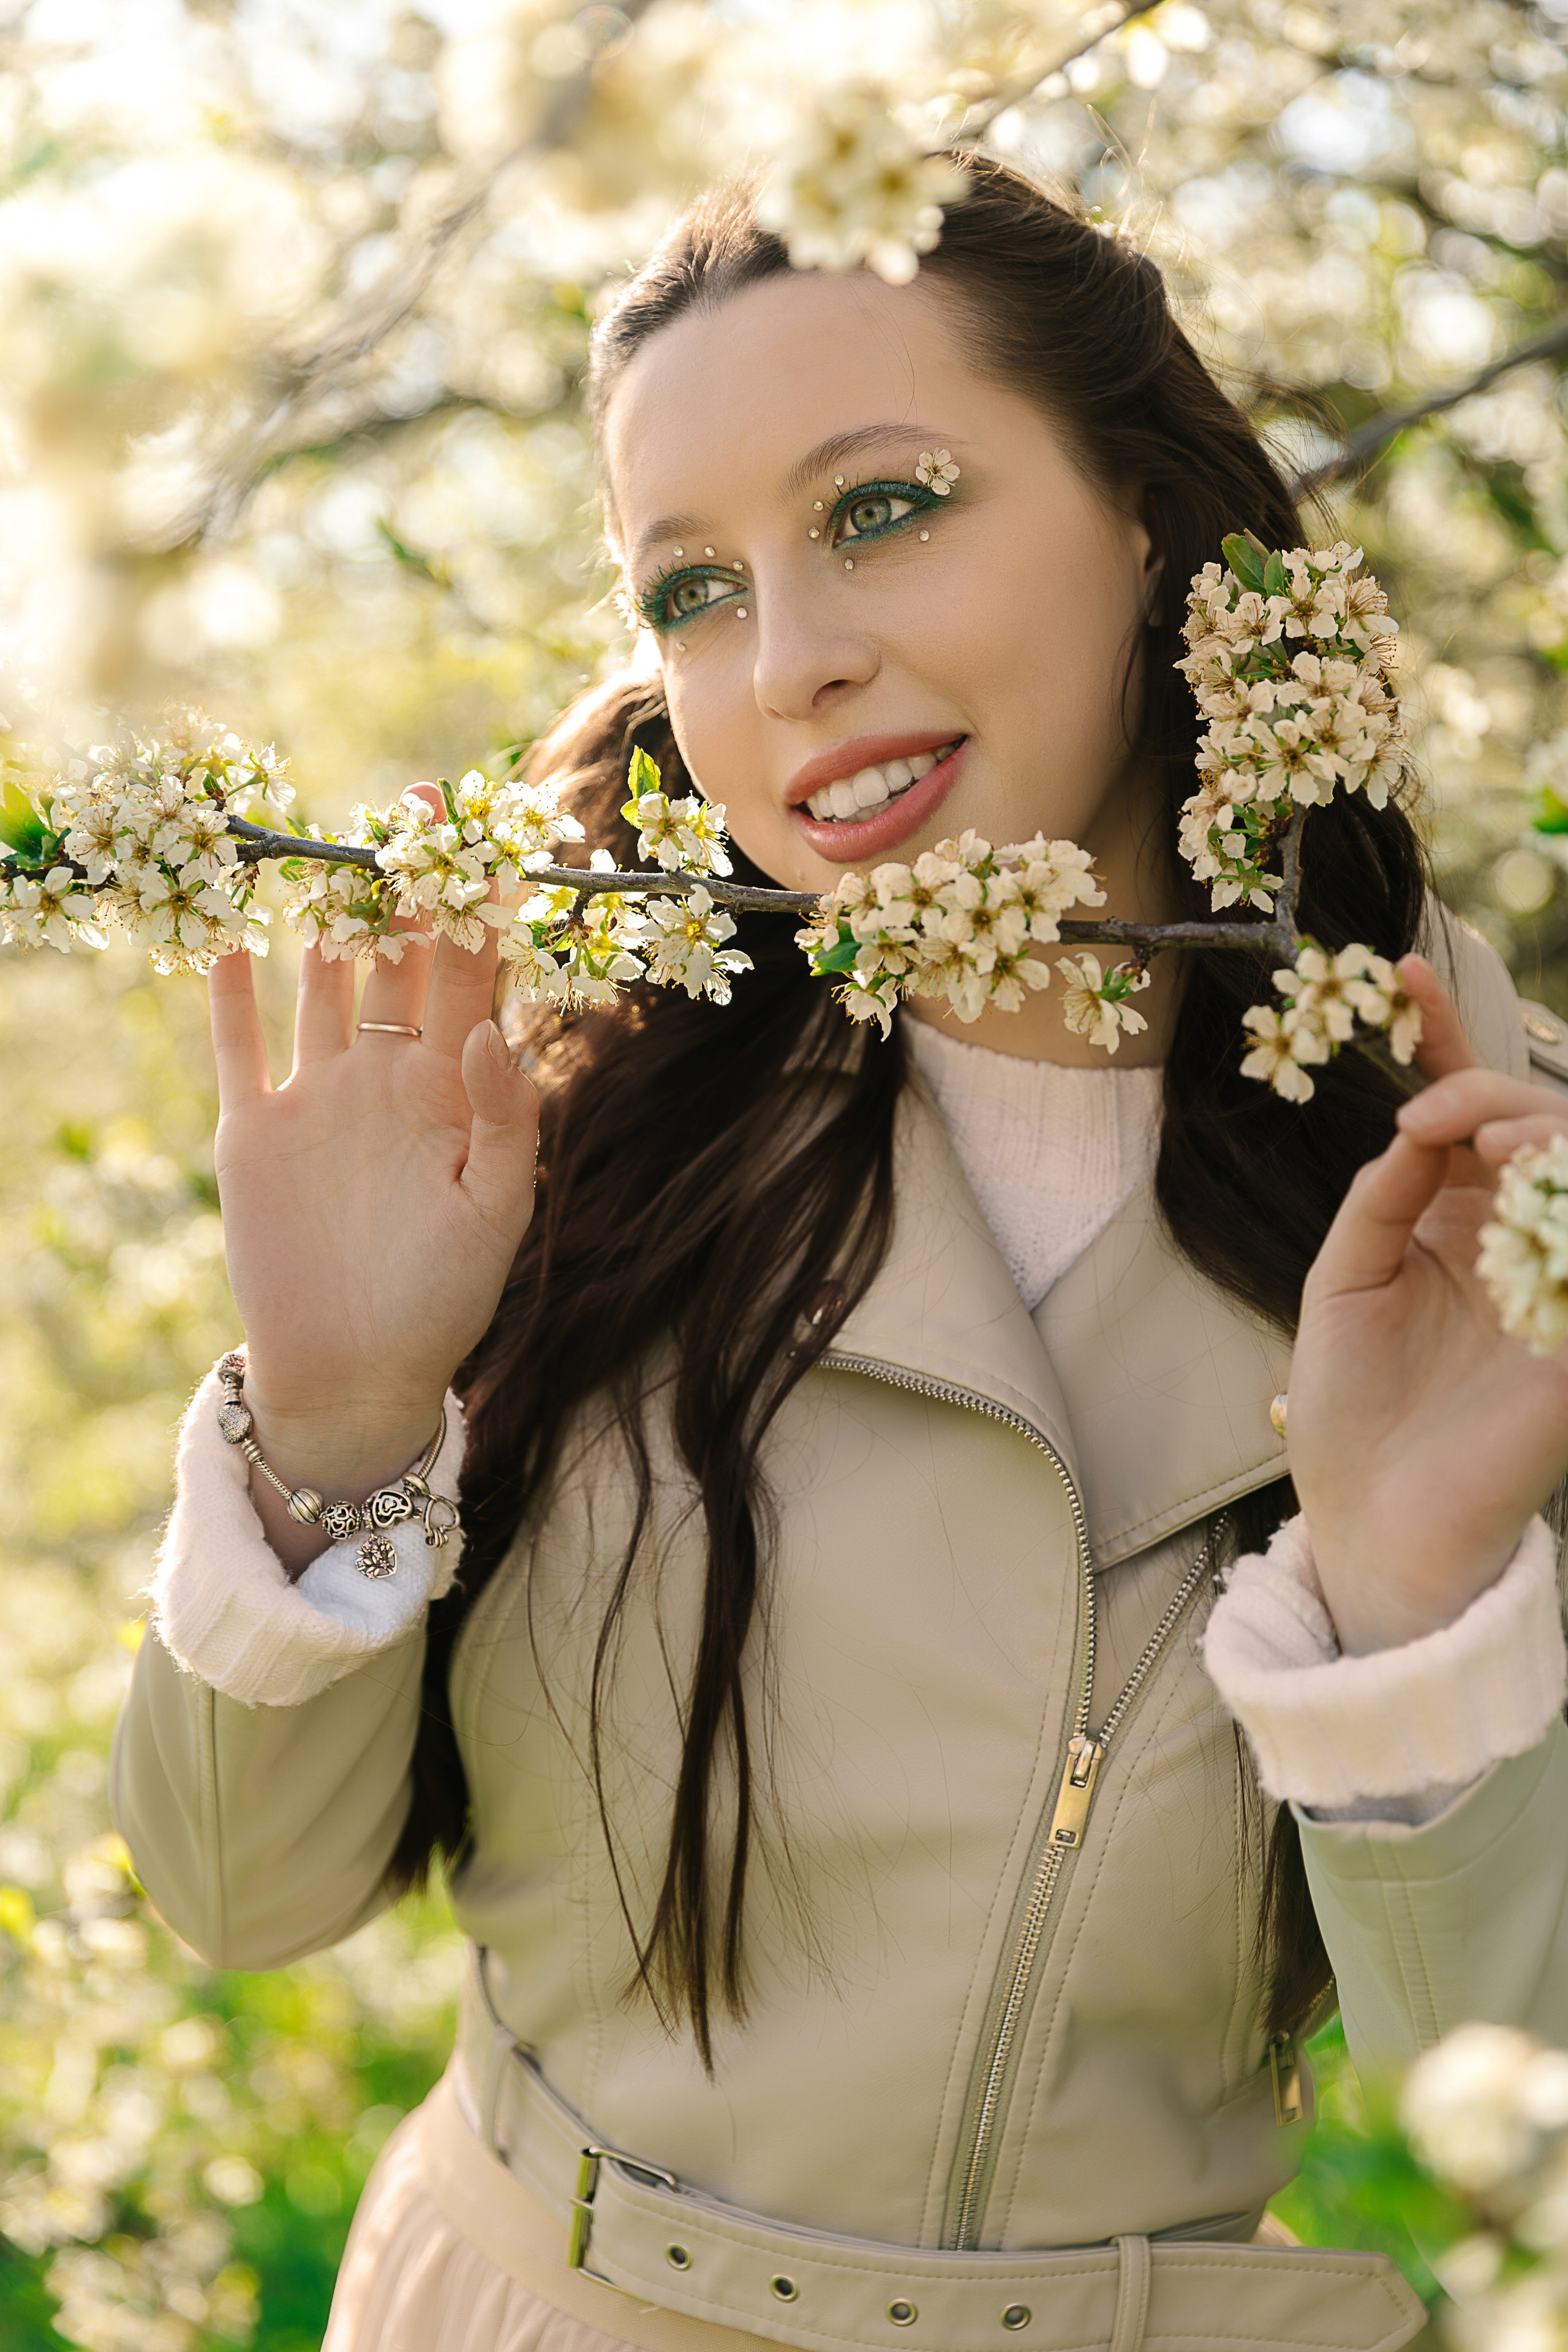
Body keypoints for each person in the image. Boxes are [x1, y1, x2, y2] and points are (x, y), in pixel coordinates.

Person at [111, 159, 1568, 2352]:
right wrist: (329, 1423)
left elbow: (1514, 2109)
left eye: (880, 510)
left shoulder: (1476, 1194)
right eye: (691, 591)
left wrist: (1414, 1585)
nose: (788, 664)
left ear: (1147, 517)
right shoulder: (558, 1119)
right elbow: (246, 1895)